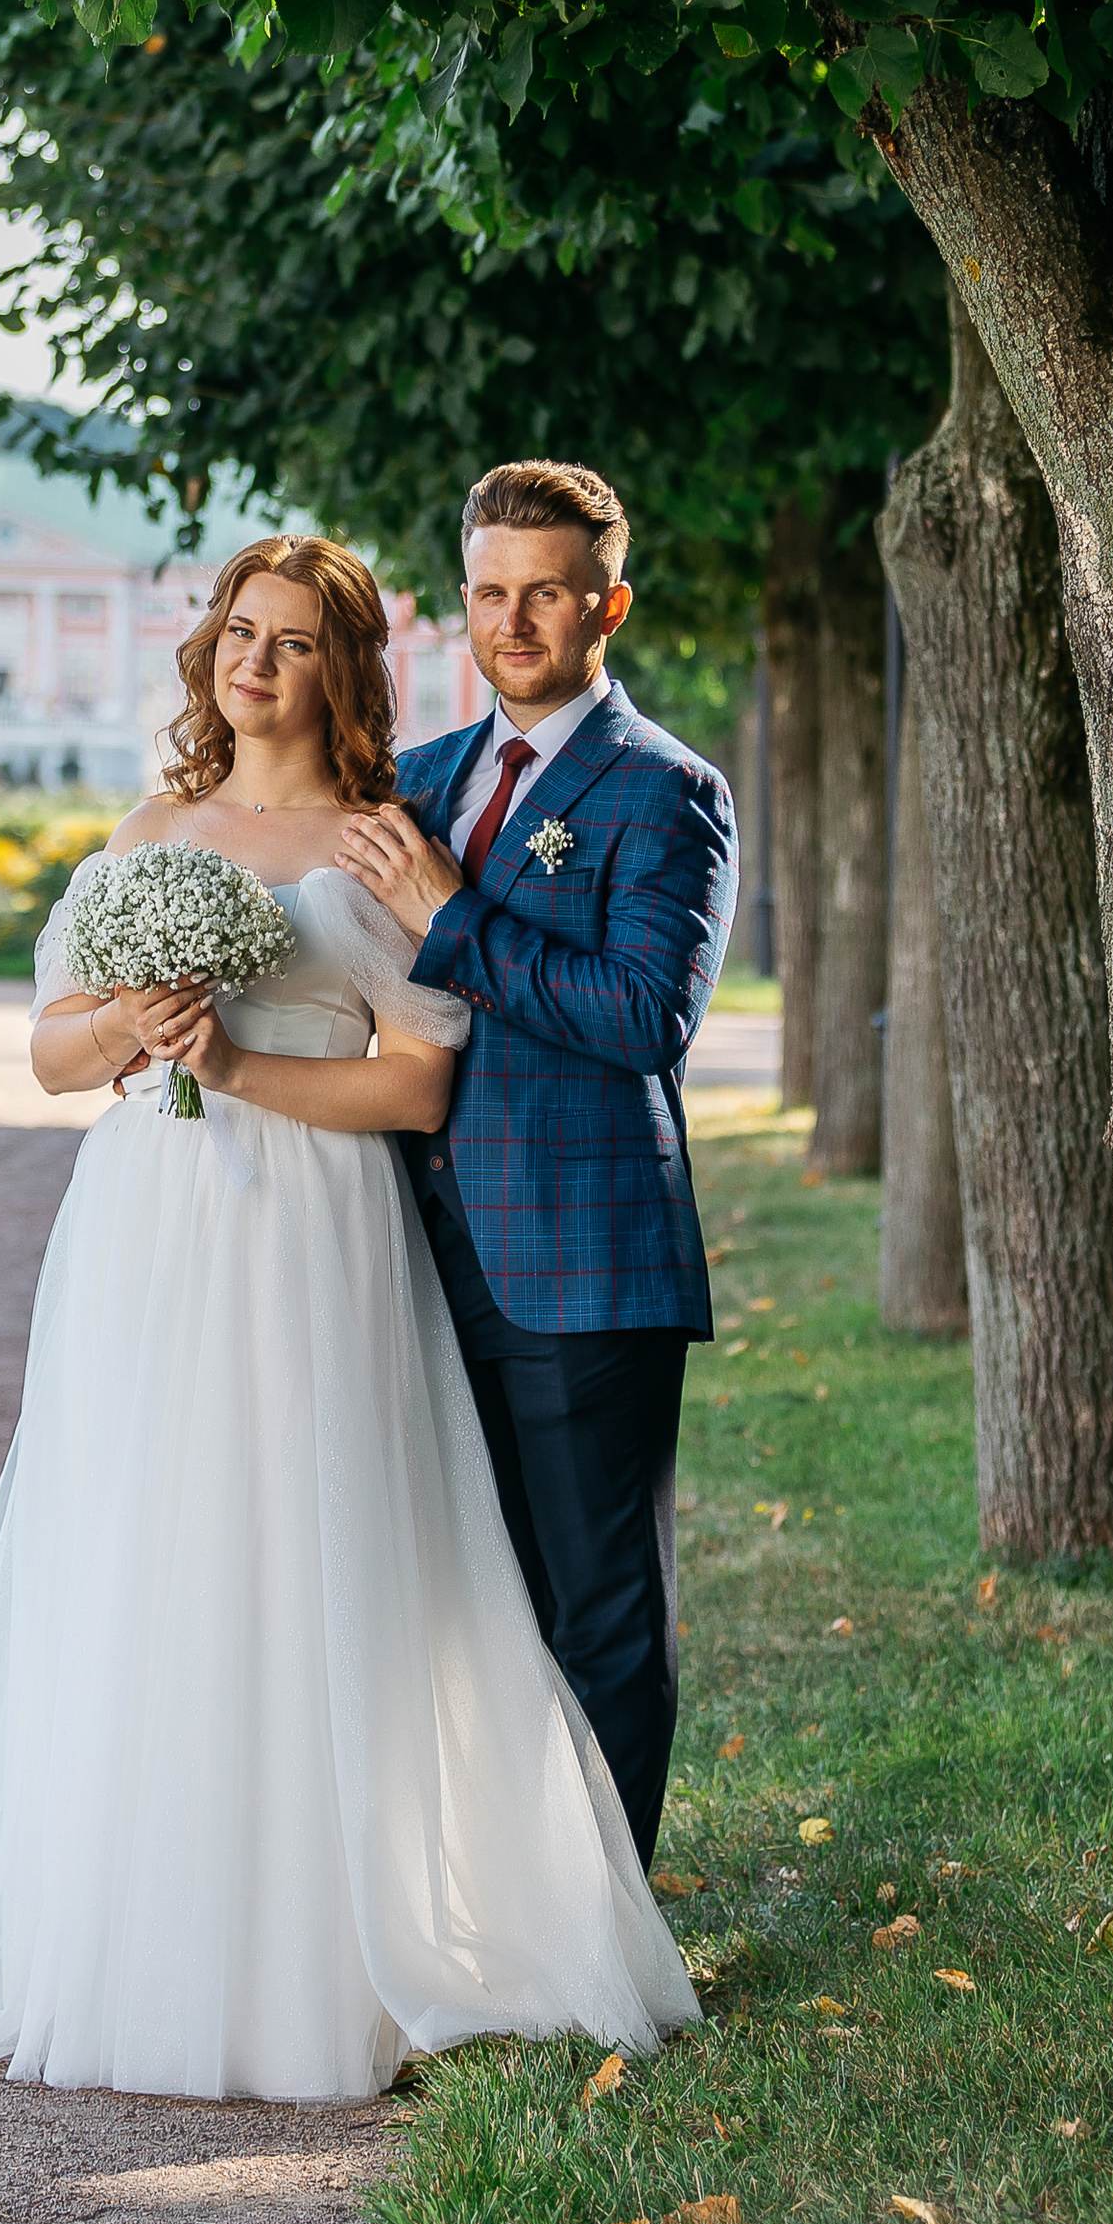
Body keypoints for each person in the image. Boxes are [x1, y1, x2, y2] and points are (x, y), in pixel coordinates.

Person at [0, 532, 699, 2105]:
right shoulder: (148, 824)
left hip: (316, 1224)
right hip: (142, 1237)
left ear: (345, 668)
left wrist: (237, 1067)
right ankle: (130, 1923)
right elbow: (48, 1052)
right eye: (242, 632)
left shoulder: (382, 839)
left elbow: (418, 1074)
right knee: (144, 1556)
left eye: (298, 641)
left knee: (312, 1556)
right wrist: (134, 1022)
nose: (258, 661)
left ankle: (337, 1939)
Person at [338, 459, 737, 1869]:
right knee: (468, 1604)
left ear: (607, 605)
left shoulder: (666, 793)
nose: (514, 621)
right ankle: (498, 1902)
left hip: (585, 1262)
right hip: (416, 1260)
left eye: (547, 594)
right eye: (491, 593)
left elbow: (645, 1018)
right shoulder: (414, 783)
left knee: (600, 1610)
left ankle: (605, 1918)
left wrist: (452, 917)